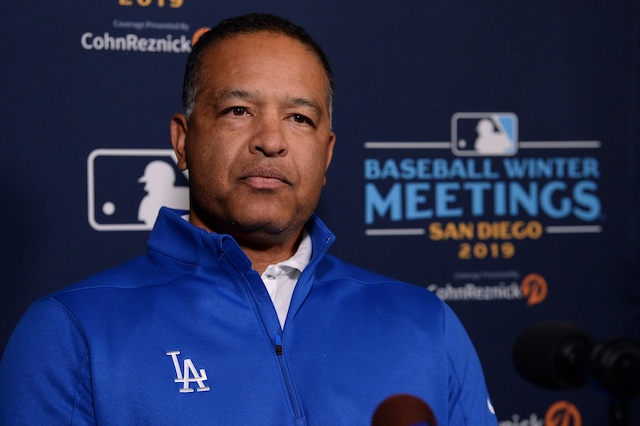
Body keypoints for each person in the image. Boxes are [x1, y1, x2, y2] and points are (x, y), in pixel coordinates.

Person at [0, 13, 498, 425]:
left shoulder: (427, 324)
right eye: (238, 110)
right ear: (182, 141)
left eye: (299, 118)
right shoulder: (70, 332)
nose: (271, 140)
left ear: (327, 156)